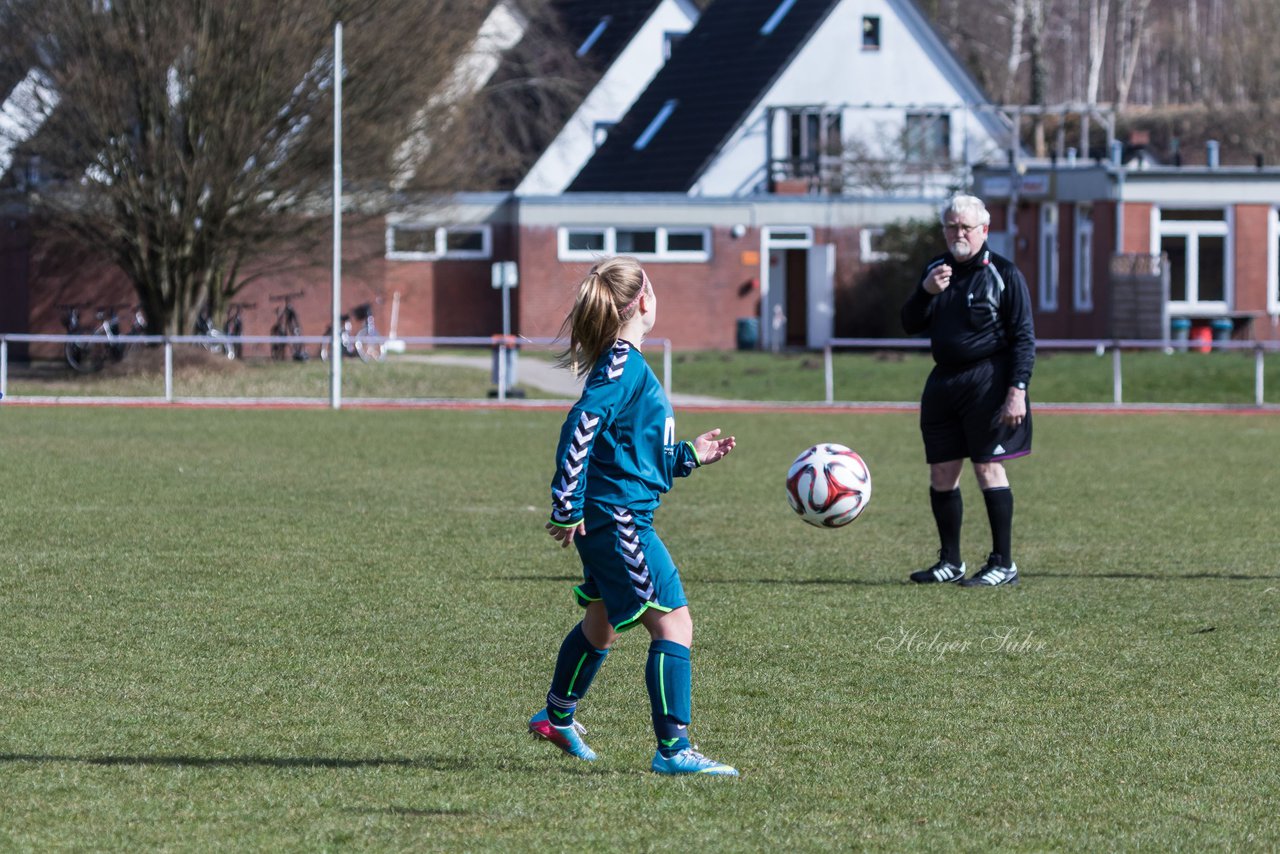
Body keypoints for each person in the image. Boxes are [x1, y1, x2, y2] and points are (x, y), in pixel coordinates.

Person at [528, 255, 740, 776]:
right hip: (620, 518)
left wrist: (688, 455)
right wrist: (566, 502)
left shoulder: (628, 364)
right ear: (644, 301)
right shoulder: (623, 364)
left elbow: (631, 449)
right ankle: (674, 750)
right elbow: (582, 422)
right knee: (675, 625)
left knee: (601, 626)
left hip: (614, 513)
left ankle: (556, 717)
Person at [900, 194, 1035, 587]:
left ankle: (1003, 563)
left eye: (966, 227)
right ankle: (951, 561)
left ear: (984, 231)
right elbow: (909, 323)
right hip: (943, 381)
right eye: (952, 227)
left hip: (988, 381)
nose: (958, 234)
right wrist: (925, 291)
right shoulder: (935, 270)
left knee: (988, 468)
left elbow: (1024, 337)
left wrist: (1017, 390)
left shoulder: (1004, 274)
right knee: (942, 471)